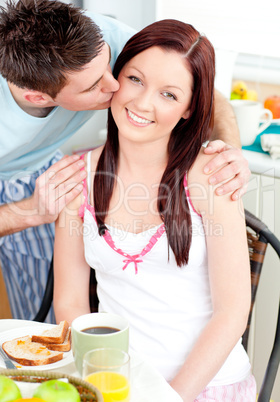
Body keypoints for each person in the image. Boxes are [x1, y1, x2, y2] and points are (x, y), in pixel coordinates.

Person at [0, 0, 250, 323]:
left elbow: (200, 89)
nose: (115, 85)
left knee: (48, 325)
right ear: (39, 97)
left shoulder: (107, 39)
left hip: (40, 168)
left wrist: (231, 154)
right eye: (94, 85)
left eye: (112, 67)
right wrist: (30, 211)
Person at [54, 19, 256, 402]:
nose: (143, 103)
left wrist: (170, 397)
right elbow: (71, 302)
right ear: (115, 79)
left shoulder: (211, 175)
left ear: (188, 109)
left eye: (168, 94)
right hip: (114, 386)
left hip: (204, 387)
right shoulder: (76, 178)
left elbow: (232, 313)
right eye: (135, 79)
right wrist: (96, 383)